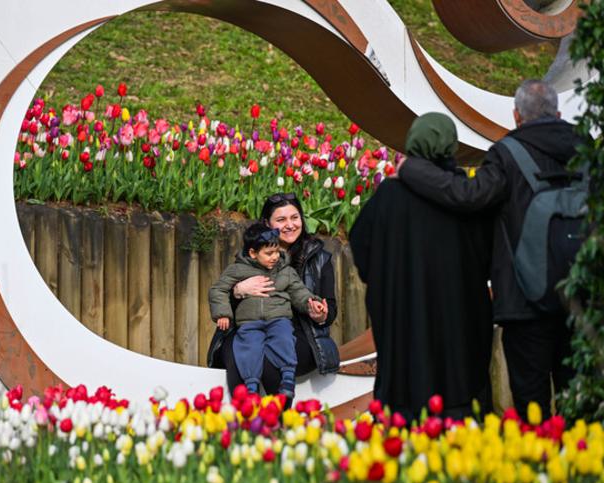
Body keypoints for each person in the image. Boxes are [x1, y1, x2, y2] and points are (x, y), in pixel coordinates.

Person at [397, 80, 581, 420]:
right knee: (582, 402)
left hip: (526, 302)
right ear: (557, 113)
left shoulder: (508, 154)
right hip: (584, 298)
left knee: (532, 407)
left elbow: (467, 196)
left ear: (516, 116)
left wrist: (412, 168)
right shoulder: (588, 150)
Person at [349, 112, 493, 421]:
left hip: (403, 325)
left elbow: (361, 246)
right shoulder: (468, 198)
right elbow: (488, 257)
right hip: (459, 327)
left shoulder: (389, 197)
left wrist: (388, 279)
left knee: (405, 413)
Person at [207, 193, 340, 394]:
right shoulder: (251, 255)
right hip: (250, 325)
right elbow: (223, 294)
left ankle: (277, 410)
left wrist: (319, 314)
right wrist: (239, 291)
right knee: (238, 356)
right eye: (281, 220)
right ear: (267, 224)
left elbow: (329, 309)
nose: (290, 225)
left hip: (299, 332)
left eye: (294, 217)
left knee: (270, 359)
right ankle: (245, 409)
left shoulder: (320, 258)